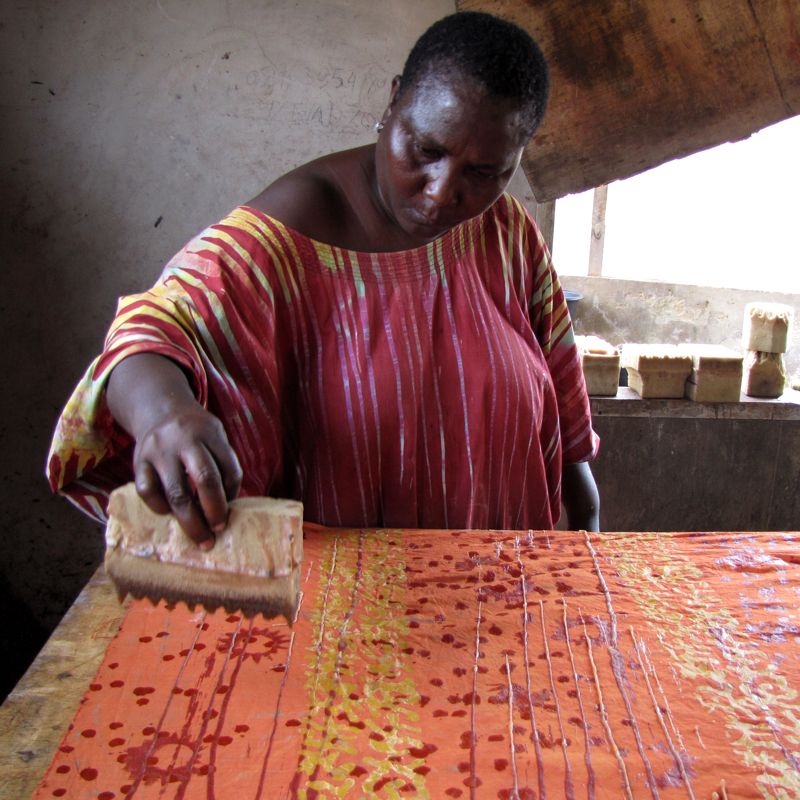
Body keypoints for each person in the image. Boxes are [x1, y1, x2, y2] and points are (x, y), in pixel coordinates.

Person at [47, 11, 600, 547]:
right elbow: (147, 335)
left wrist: (587, 523)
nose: (441, 191)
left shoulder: (504, 231)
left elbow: (561, 398)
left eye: (484, 173)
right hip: (342, 619)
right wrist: (165, 414)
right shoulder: (277, 247)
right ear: (393, 102)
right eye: (426, 150)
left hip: (504, 597)